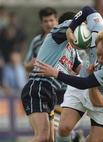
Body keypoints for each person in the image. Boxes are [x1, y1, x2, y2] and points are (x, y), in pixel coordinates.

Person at [35, 6, 103, 142]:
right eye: (98, 54)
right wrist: (71, 30)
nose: (99, 60)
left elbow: (86, 84)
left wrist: (56, 73)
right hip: (80, 86)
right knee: (63, 128)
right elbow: (87, 10)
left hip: (102, 96)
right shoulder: (98, 29)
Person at [21, 12, 82, 142]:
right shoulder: (57, 34)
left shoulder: (72, 50)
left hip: (53, 92)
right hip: (38, 86)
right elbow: (70, 27)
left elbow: (81, 71)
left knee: (50, 139)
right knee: (42, 136)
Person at [24, 7, 58, 72]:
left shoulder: (64, 40)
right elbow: (26, 67)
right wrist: (32, 64)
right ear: (41, 24)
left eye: (51, 20)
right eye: (45, 21)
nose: (49, 24)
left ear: (57, 21)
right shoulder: (36, 41)